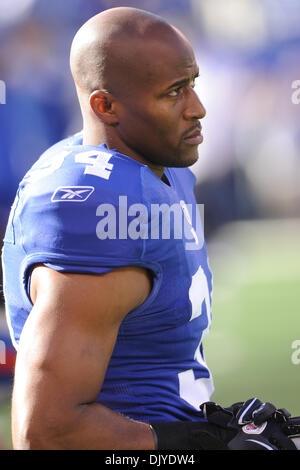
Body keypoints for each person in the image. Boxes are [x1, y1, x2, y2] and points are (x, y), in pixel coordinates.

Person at [2, 7, 296, 451]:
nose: (197, 108)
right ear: (106, 105)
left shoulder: (160, 164)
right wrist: (206, 445)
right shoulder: (97, 206)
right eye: (173, 92)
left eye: (192, 83)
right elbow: (46, 433)